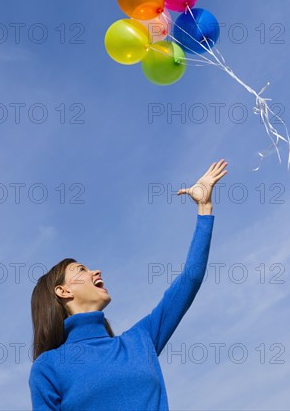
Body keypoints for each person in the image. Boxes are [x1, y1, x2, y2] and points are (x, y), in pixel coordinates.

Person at [29, 159, 228, 410]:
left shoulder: (140, 340)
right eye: (81, 270)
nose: (96, 271)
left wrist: (204, 207)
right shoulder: (48, 367)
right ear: (63, 291)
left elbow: (191, 279)